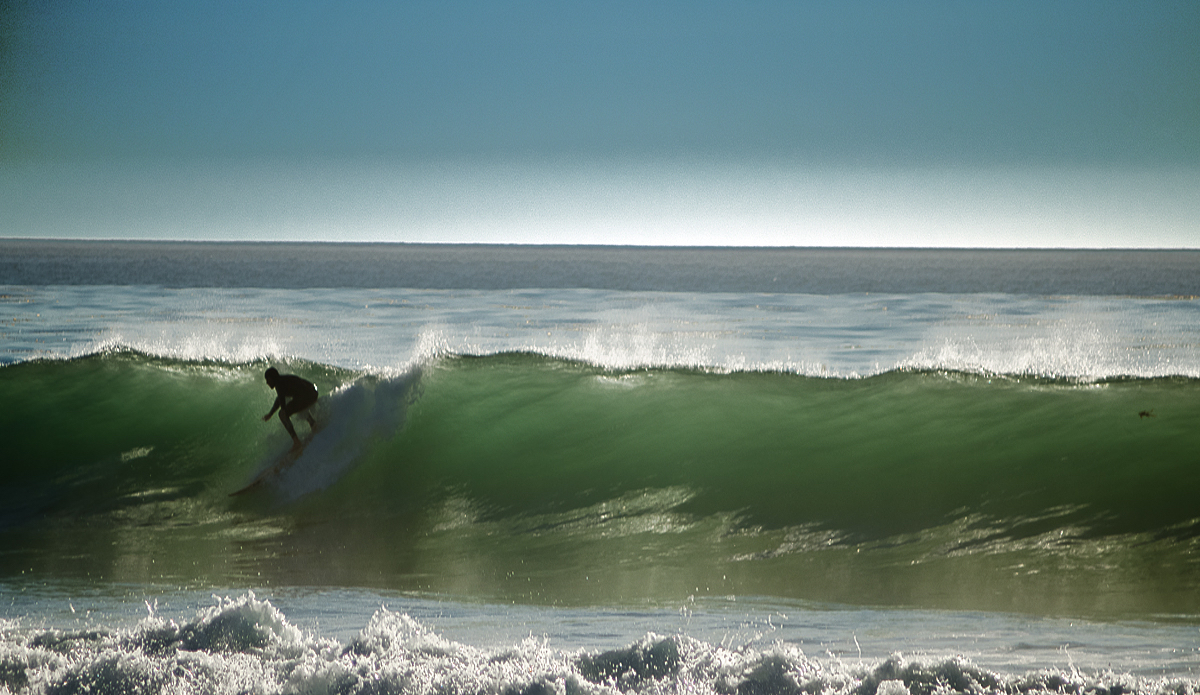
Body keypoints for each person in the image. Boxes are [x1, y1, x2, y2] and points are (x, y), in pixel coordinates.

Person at [262, 367, 318, 451]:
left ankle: (296, 442)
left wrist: (283, 411)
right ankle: (313, 424)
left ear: (271, 379)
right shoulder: (283, 380)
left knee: (282, 414)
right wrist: (270, 413)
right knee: (294, 404)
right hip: (312, 393)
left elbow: (282, 402)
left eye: (267, 380)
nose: (267, 383)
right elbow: (280, 399)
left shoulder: (279, 384)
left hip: (308, 395)